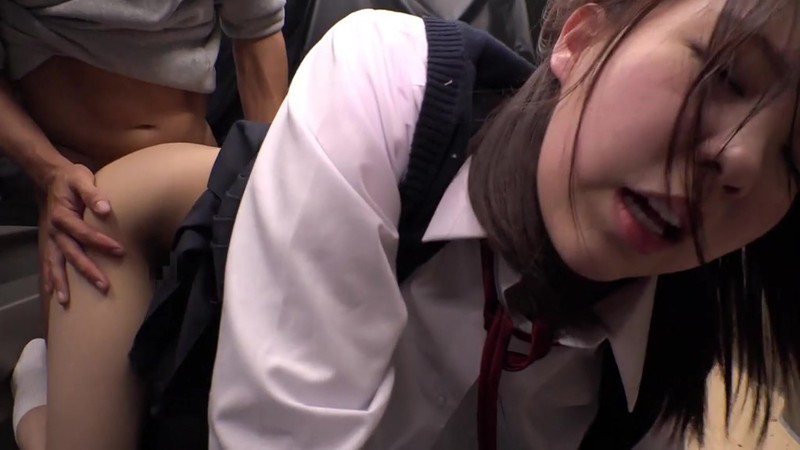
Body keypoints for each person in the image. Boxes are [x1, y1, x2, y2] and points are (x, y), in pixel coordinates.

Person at [11, 1, 800, 449]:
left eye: (796, 157)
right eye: (725, 73)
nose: (743, 158)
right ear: (582, 37)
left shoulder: (677, 346)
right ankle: (36, 389)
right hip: (132, 223)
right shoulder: (388, 81)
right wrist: (289, 189)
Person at [0, 0, 289, 315]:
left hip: (198, 173)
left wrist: (269, 174)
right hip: (86, 197)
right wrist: (50, 172)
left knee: (266, 323)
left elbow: (257, 28)